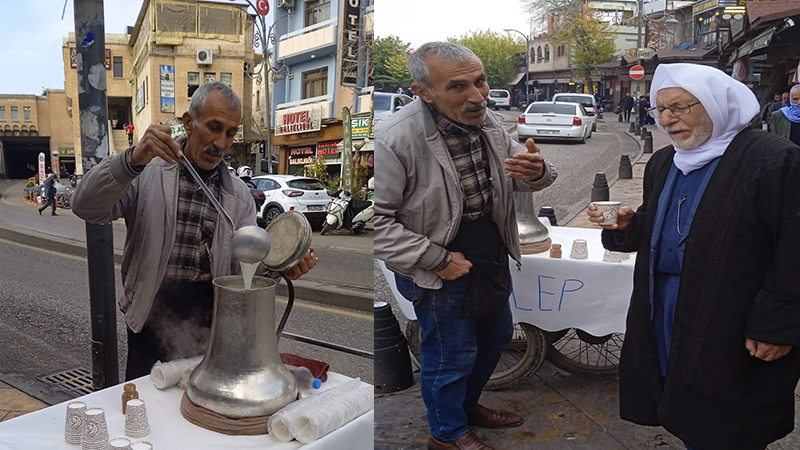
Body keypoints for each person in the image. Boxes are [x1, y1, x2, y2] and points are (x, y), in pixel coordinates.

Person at [586, 63, 800, 450]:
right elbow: (665, 227)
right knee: (683, 400)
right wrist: (629, 225)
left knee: (728, 418)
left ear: (716, 104)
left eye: (680, 107)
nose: (667, 119)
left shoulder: (775, 161)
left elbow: (794, 250)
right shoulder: (664, 162)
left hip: (733, 316)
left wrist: (777, 326)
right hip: (667, 308)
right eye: (660, 109)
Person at [374, 42, 557, 450]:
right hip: (439, 262)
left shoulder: (487, 121)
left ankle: (465, 408)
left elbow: (524, 175)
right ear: (423, 92)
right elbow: (378, 224)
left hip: (488, 253)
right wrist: (437, 259)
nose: (477, 96)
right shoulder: (394, 139)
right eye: (458, 86)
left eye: (480, 81)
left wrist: (537, 170)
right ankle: (447, 434)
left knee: (496, 338)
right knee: (450, 354)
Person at [72, 82, 318, 380]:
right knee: (146, 403)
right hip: (150, 318)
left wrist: (280, 266)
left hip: (210, 331)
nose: (221, 143)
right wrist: (132, 159)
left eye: (230, 133)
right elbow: (85, 207)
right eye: (214, 127)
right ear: (189, 122)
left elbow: (245, 272)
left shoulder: (239, 197)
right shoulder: (146, 174)